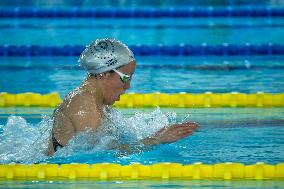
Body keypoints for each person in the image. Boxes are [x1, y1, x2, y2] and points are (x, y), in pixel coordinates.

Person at [47, 39, 198, 156]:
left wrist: (155, 136)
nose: (128, 86)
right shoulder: (83, 103)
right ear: (104, 74)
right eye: (126, 78)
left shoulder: (98, 103)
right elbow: (98, 155)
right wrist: (156, 140)